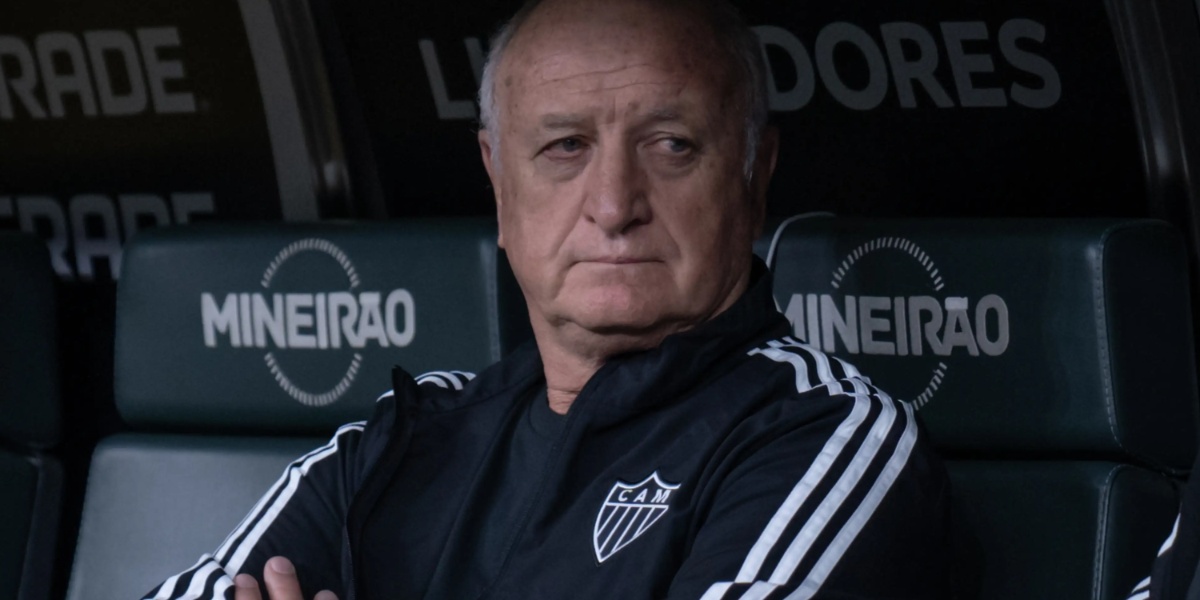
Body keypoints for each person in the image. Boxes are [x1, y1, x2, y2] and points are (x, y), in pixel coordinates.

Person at [143, 0, 951, 598]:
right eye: (565, 148)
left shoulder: (825, 435)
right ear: (500, 184)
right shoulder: (396, 446)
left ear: (753, 175)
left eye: (671, 146)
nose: (613, 203)